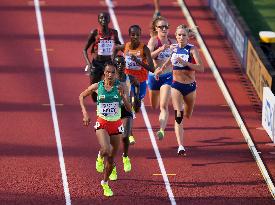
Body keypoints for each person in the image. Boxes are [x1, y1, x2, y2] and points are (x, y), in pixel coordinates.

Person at [79, 62, 131, 197]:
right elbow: (81, 96)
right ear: (104, 73)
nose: (110, 75)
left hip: (116, 124)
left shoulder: (121, 86)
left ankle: (105, 183)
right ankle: (99, 156)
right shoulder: (98, 86)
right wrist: (85, 113)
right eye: (108, 72)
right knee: (106, 149)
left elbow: (129, 109)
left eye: (112, 72)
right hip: (102, 123)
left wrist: (123, 96)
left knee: (111, 160)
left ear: (116, 74)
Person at [155, 24, 204, 155]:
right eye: (179, 35)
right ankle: (180, 146)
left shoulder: (192, 50)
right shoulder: (173, 48)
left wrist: (186, 63)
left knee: (188, 114)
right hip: (176, 85)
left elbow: (201, 68)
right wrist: (161, 69)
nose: (181, 37)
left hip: (190, 87)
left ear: (188, 37)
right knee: (179, 115)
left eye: (183, 35)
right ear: (176, 37)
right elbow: (170, 61)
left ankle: (185, 114)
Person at [115, 24, 156, 144]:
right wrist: (113, 61)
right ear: (129, 35)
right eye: (133, 34)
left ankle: (128, 127)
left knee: (136, 106)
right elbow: (116, 48)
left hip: (141, 81)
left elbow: (152, 69)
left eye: (137, 34)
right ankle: (130, 134)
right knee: (129, 106)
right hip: (128, 80)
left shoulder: (144, 49)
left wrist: (138, 61)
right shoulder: (126, 46)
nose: (135, 37)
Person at [95, 55, 133, 178]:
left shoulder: (127, 79)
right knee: (109, 147)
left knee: (125, 137)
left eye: (122, 64)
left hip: (123, 108)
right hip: (109, 115)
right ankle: (112, 166)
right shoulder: (104, 80)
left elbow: (129, 103)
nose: (121, 66)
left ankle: (125, 157)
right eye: (118, 63)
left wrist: (133, 98)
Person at [147, 16, 176, 140]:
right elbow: (147, 57)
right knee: (154, 105)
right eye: (161, 27)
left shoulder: (172, 42)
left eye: (166, 27)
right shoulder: (154, 41)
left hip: (167, 77)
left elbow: (177, 55)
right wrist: (160, 49)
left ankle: (161, 130)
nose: (164, 29)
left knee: (163, 106)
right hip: (154, 77)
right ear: (156, 28)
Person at [83, 12, 121, 102]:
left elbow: (119, 45)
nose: (103, 20)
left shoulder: (114, 33)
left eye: (105, 18)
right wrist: (89, 64)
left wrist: (119, 54)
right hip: (96, 64)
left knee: (110, 85)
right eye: (101, 18)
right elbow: (84, 50)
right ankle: (97, 101)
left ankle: (106, 103)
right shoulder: (95, 32)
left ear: (109, 20)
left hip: (108, 64)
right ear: (98, 20)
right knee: (93, 89)